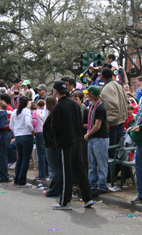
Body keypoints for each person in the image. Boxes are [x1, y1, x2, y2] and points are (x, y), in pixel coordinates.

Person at [51, 81, 94, 210]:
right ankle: (88, 198)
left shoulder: (59, 106)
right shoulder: (75, 105)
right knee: (80, 170)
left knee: (66, 172)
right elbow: (79, 123)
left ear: (56, 91)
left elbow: (55, 127)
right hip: (77, 140)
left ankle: (65, 201)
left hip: (66, 142)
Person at [84, 86, 109, 197]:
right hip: (93, 138)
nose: (87, 96)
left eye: (88, 94)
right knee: (92, 164)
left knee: (101, 164)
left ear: (92, 95)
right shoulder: (91, 106)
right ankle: (92, 184)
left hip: (100, 138)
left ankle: (102, 185)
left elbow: (97, 125)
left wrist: (87, 134)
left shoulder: (100, 108)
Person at [100, 68, 128, 156]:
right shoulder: (118, 85)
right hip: (120, 120)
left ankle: (113, 169)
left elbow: (111, 106)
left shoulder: (107, 88)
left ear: (102, 76)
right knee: (118, 148)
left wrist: (108, 121)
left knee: (112, 149)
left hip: (113, 123)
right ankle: (119, 168)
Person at [9, 96, 34, 188]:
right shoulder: (27, 111)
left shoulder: (14, 112)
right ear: (27, 103)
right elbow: (28, 123)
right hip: (26, 136)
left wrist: (16, 131)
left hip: (18, 136)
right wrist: (32, 131)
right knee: (25, 159)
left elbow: (11, 125)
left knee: (20, 158)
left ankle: (17, 179)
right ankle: (22, 181)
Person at [41, 95, 61, 198]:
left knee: (54, 168)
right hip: (53, 144)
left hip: (51, 145)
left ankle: (54, 190)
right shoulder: (53, 115)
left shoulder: (52, 116)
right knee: (56, 168)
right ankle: (57, 188)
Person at [32, 100, 48, 181]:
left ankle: (41, 174)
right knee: (46, 153)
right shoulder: (46, 111)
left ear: (37, 105)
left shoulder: (35, 112)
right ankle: (47, 171)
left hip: (39, 132)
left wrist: (33, 130)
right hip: (46, 132)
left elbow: (34, 122)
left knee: (41, 154)